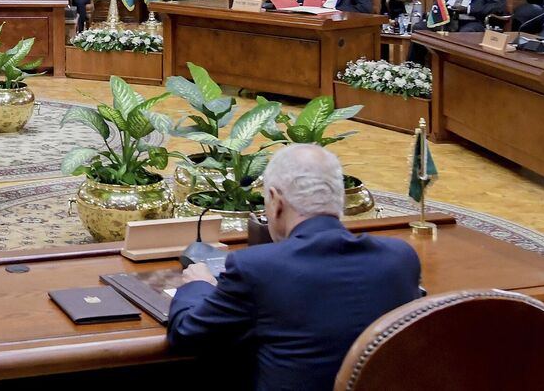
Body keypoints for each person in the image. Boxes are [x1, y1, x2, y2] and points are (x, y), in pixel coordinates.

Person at [168, 144, 421, 391]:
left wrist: (199, 284)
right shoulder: (399, 258)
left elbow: (187, 334)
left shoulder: (256, 268)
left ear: (276, 202)